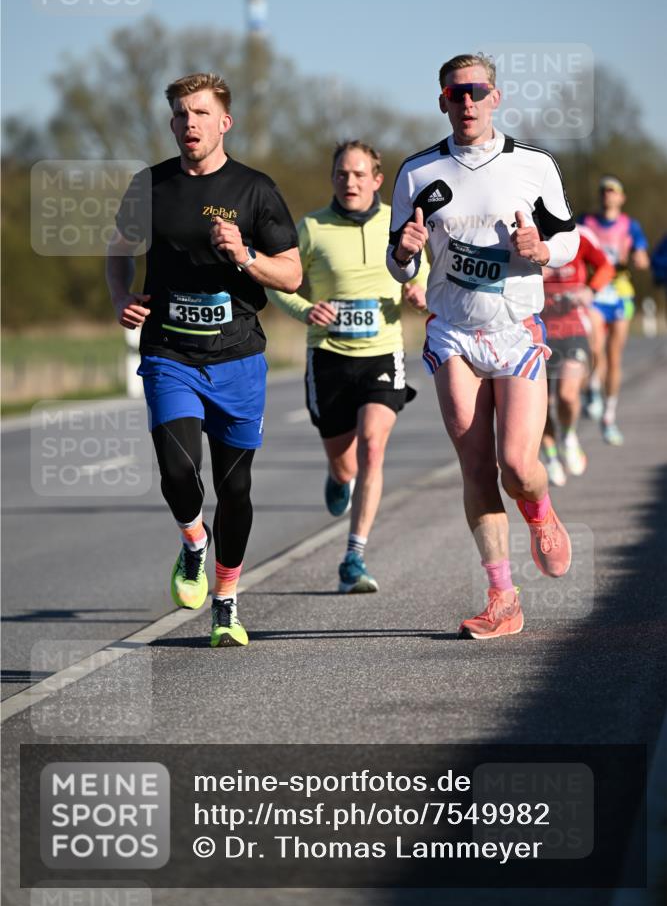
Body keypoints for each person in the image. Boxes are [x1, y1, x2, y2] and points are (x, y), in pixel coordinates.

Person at [387, 52, 580, 640]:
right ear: (442, 101)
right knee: (476, 466)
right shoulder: (418, 173)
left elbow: (570, 240)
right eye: (454, 93)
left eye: (476, 91)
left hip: (516, 331)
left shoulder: (533, 165)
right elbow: (399, 266)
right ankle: (502, 597)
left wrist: (543, 250)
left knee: (519, 467)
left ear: (496, 97)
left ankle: (540, 511)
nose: (465, 102)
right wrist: (406, 251)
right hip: (452, 333)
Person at [106, 72, 301, 648]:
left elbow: (290, 272)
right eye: (179, 114)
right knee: (177, 470)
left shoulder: (256, 190)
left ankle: (226, 602)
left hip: (239, 357)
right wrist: (121, 297)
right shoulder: (150, 186)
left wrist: (244, 256)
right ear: (172, 123)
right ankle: (194, 542)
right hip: (170, 352)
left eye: (199, 113)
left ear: (224, 122)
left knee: (235, 490)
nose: (188, 123)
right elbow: (119, 248)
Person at [267, 140, 427, 593]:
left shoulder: (397, 225)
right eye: (342, 174)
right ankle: (338, 479)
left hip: (383, 352)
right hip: (329, 357)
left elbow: (422, 272)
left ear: (378, 180)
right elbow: (279, 282)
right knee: (345, 465)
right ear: (333, 179)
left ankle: (353, 557)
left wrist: (420, 294)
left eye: (359, 174)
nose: (350, 182)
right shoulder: (312, 228)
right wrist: (305, 310)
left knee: (373, 447)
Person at [540, 222, 615, 486]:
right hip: (535, 332)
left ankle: (569, 435)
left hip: (572, 329)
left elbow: (606, 266)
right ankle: (549, 454)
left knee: (567, 395)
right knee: (539, 405)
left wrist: (590, 290)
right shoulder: (522, 233)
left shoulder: (579, 236)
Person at [580, 176, 649, 445]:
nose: (608, 195)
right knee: (595, 347)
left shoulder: (630, 225)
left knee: (614, 356)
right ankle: (593, 391)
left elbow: (641, 257)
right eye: (604, 191)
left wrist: (637, 258)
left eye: (613, 192)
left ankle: (609, 415)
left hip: (620, 293)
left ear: (622, 198)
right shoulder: (587, 222)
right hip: (596, 291)